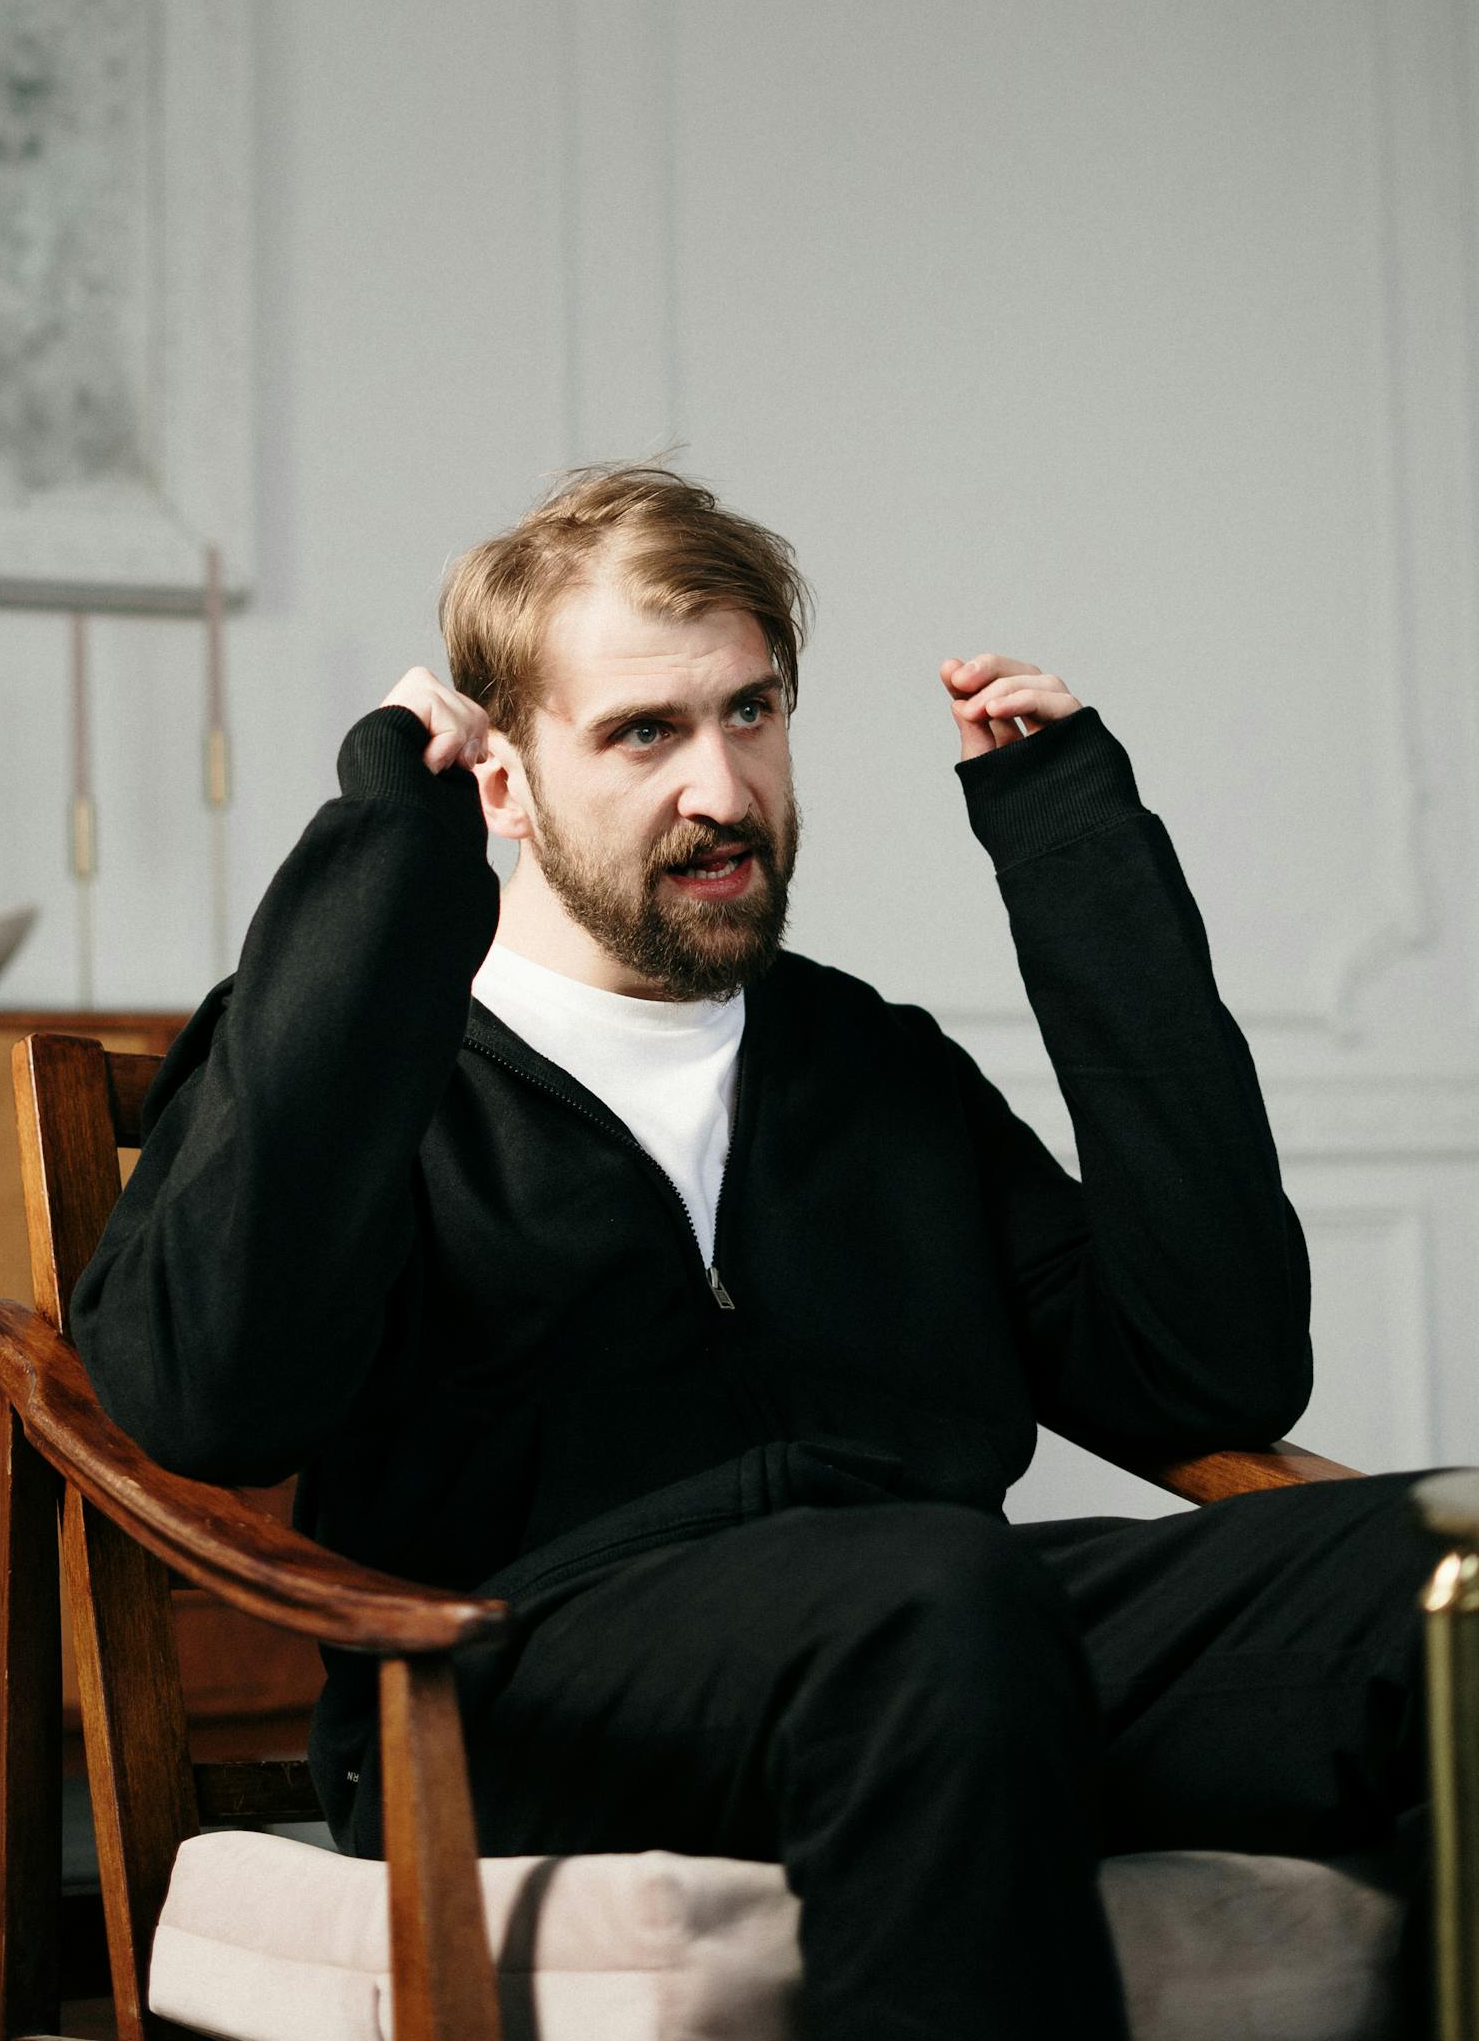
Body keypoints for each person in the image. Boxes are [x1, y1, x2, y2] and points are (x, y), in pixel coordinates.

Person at [74, 463, 1427, 2041]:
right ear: (503, 783)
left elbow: (1213, 1365)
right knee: (936, 1598)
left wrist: (1081, 860)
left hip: (939, 1647)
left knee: (1434, 1575)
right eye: (645, 732)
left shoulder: (872, 1065)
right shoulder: (375, 1058)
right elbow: (208, 1398)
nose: (722, 788)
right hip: (497, 1689)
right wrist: (385, 873)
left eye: (752, 712)